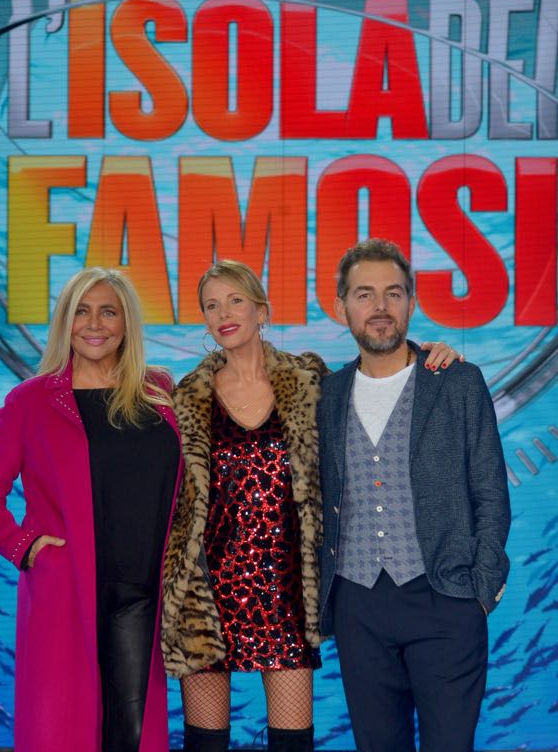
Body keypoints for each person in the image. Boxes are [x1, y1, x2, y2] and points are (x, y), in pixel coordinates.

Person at [162, 260, 461, 752]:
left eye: (235, 301)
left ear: (262, 311)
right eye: (211, 306)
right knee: (205, 744)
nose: (224, 314)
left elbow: (380, 379)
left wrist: (426, 353)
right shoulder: (185, 398)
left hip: (287, 590)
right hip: (206, 594)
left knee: (292, 743)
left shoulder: (311, 381)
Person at [0, 267, 183, 752]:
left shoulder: (159, 391)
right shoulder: (30, 401)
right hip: (66, 589)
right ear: (65, 320)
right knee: (65, 730)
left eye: (108, 311)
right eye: (82, 311)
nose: (95, 324)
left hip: (145, 592)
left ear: (126, 322)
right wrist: (26, 547)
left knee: (131, 733)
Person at [318, 239, 511, 752]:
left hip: (445, 599)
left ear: (412, 301)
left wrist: (480, 592)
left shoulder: (457, 381)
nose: (380, 306)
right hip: (357, 605)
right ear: (341, 306)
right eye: (364, 294)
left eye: (394, 293)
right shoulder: (326, 395)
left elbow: (491, 492)